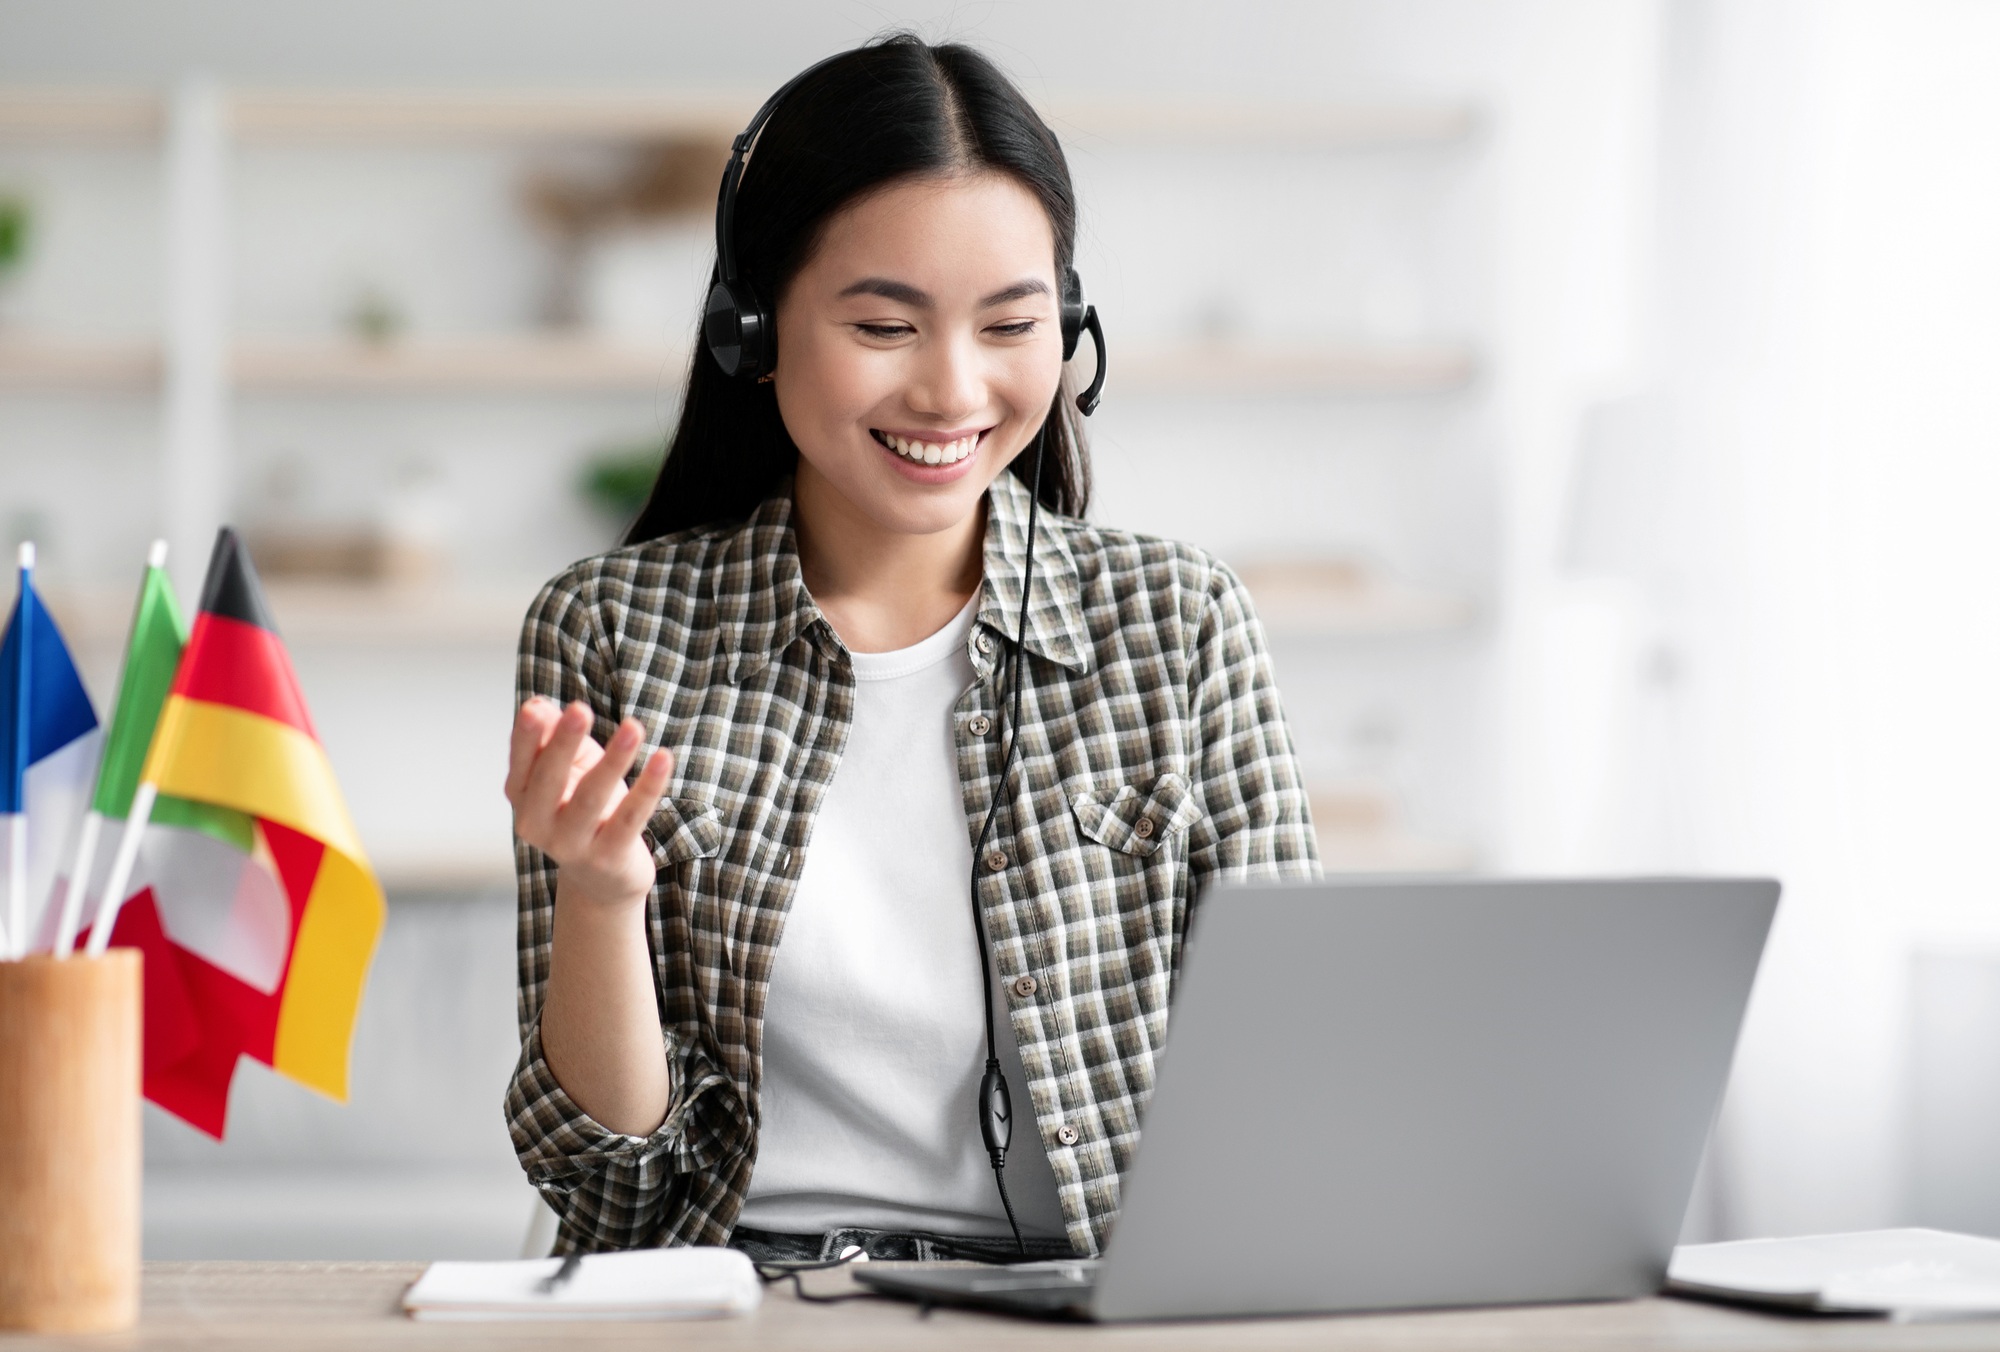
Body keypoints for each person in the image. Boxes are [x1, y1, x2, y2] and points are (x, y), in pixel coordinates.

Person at [502, 34, 1319, 1263]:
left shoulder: (1181, 621)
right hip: (751, 1303)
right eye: (885, 324)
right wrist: (604, 896)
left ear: (1071, 330)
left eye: (1009, 323)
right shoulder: (612, 630)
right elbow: (612, 1205)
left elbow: (1297, 1099)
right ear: (753, 327)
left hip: (1094, 1310)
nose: (951, 390)